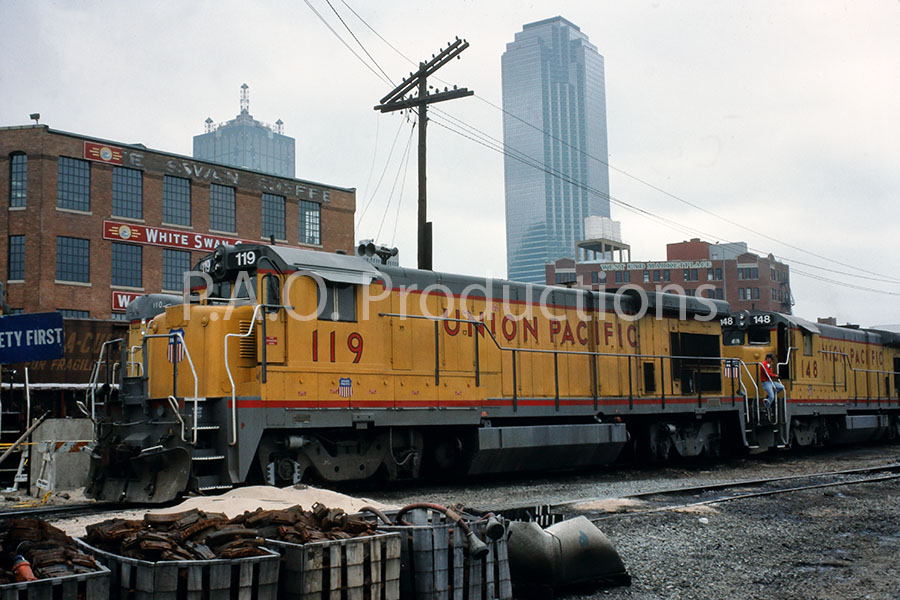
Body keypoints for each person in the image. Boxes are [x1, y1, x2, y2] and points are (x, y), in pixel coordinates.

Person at [759, 353, 785, 418]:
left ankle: (771, 395)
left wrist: (774, 376)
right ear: (768, 358)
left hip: (771, 381)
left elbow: (770, 373)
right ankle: (766, 406)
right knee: (772, 397)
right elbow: (767, 374)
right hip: (766, 382)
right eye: (771, 359)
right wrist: (776, 376)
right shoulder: (763, 364)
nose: (772, 360)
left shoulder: (768, 364)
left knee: (781, 387)